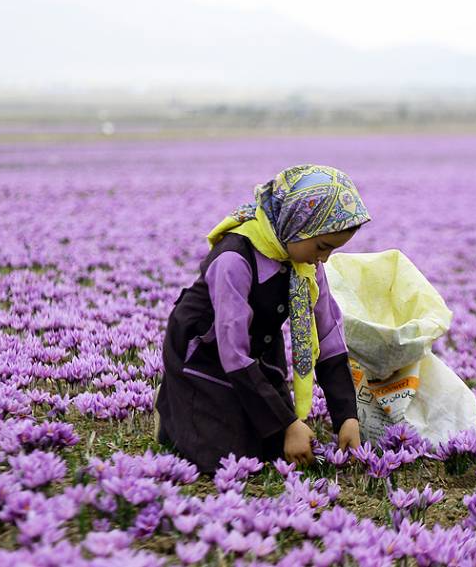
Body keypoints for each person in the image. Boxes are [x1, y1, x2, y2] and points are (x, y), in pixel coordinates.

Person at [154, 164, 370, 475]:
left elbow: (329, 340)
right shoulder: (235, 259)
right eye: (322, 247)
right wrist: (287, 423)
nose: (324, 259)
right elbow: (232, 353)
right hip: (203, 357)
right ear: (297, 224)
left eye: (332, 250)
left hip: (257, 353)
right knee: (226, 459)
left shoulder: (306, 265)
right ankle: (173, 406)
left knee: (274, 449)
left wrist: (346, 417)